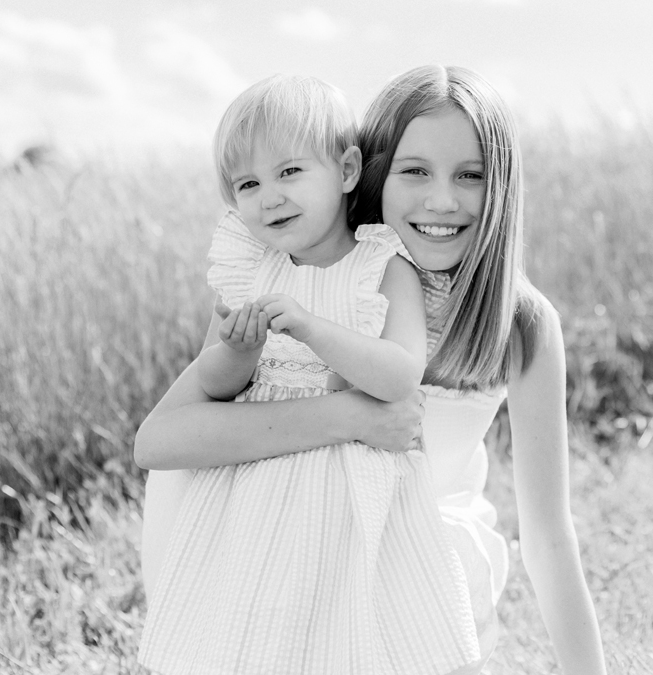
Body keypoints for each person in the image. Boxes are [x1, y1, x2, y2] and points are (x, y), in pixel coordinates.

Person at [136, 65, 607, 674]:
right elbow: (159, 442)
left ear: (503, 188)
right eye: (415, 172)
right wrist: (348, 417)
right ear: (372, 172)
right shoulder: (305, 280)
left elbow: (548, 537)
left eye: (471, 175)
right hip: (280, 534)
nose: (443, 200)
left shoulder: (519, 322)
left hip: (419, 542)